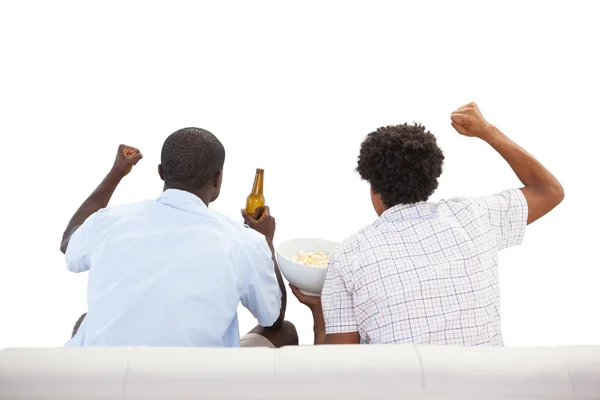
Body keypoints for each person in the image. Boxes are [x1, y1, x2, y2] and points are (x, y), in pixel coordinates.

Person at [291, 103, 564, 346]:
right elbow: (549, 191)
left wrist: (320, 312)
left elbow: (339, 371)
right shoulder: (474, 215)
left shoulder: (349, 255)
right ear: (432, 179)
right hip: (490, 386)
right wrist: (487, 131)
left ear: (373, 188)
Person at [61, 128, 297, 348]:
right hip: (190, 384)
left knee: (86, 322)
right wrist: (265, 241)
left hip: (102, 379)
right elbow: (272, 319)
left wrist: (117, 172)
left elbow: (69, 242)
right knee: (284, 331)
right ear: (218, 180)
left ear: (161, 172)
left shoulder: (111, 221)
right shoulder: (244, 241)